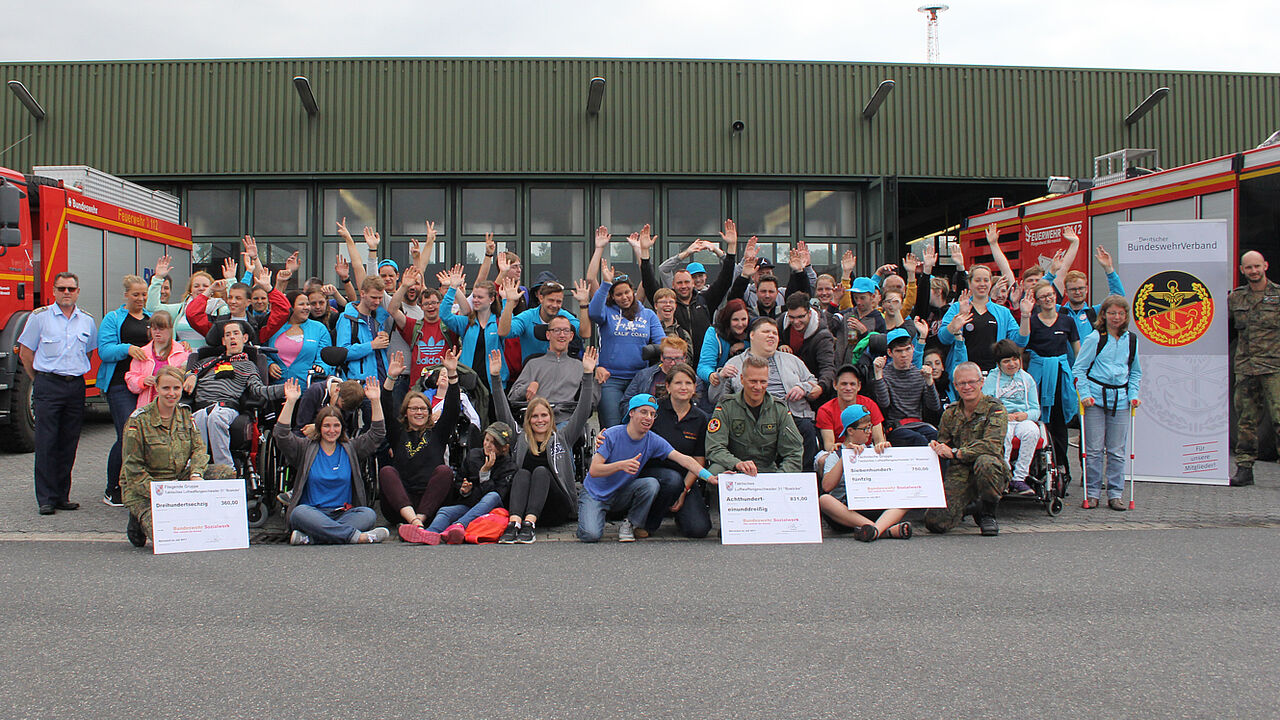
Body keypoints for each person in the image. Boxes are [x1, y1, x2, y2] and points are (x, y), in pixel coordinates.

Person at [120, 366, 236, 547]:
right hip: (145, 488)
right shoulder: (138, 421)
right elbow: (132, 469)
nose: (171, 393)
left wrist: (196, 474)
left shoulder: (185, 415)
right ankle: (138, 518)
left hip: (176, 481)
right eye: (166, 388)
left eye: (176, 388)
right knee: (165, 537)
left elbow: (199, 448)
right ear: (157, 388)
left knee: (226, 473)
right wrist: (159, 493)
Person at [492, 347, 599, 543]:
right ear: (528, 419)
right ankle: (514, 523)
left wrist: (587, 374)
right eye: (535, 416)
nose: (540, 420)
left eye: (544, 415)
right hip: (523, 506)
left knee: (541, 471)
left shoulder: (563, 437)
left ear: (551, 418)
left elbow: (583, 410)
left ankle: (529, 524)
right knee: (523, 473)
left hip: (555, 507)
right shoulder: (520, 438)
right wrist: (496, 377)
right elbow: (502, 412)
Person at [577, 393, 714, 543]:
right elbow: (594, 470)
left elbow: (684, 459)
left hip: (622, 493)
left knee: (650, 484)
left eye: (652, 414)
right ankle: (591, 515)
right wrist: (621, 465)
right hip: (595, 494)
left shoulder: (653, 440)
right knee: (590, 535)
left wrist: (709, 477)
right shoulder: (611, 435)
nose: (648, 417)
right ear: (631, 413)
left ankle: (630, 524)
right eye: (643, 412)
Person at [17, 272, 97, 515]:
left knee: (68, 442)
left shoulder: (87, 321)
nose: (66, 293)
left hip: (74, 386)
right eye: (62, 288)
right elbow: (25, 353)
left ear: (78, 292)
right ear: (53, 291)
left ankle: (62, 495)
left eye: (71, 289)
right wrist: (39, 380)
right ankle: (46, 498)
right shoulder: (39, 318)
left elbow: (89, 353)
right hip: (48, 384)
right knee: (46, 442)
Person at [274, 376, 389, 545]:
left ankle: (312, 538)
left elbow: (377, 433)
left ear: (342, 427)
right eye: (327, 426)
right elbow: (281, 435)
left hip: (343, 513)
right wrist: (291, 402)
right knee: (298, 512)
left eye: (336, 426)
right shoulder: (305, 448)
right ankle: (356, 537)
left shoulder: (351, 448)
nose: (331, 430)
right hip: (312, 513)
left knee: (368, 515)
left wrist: (375, 401)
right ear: (319, 427)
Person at [714, 317, 822, 469]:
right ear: (752, 335)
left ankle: (801, 481)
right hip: (751, 417)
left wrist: (803, 387)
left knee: (806, 429)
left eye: (775, 333)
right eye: (766, 332)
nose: (771, 336)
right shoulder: (735, 363)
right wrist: (721, 377)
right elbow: (716, 399)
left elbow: (815, 384)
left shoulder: (792, 360)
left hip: (792, 415)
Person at [378, 350, 460, 533]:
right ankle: (414, 522)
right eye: (413, 408)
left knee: (444, 471)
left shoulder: (437, 433)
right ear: (405, 412)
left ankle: (418, 522)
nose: (419, 412)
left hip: (431, 502)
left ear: (429, 412)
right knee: (386, 471)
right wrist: (391, 377)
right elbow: (386, 404)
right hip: (400, 503)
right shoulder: (397, 433)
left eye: (423, 408)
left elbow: (453, 408)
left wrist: (452, 374)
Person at [1073, 295, 1142, 511]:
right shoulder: (1095, 338)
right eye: (1112, 313)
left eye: (1120, 313)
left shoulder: (1131, 340)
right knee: (1093, 449)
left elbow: (1135, 372)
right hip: (1095, 397)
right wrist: (1084, 394)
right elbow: (1080, 369)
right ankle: (1092, 493)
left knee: (1117, 450)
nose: (1116, 317)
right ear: (1104, 315)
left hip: (1120, 399)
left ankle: (1115, 493)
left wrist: (1133, 394)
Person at [925, 362, 1010, 536]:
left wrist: (957, 452)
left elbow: (992, 445)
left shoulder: (995, 409)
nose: (967, 387)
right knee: (934, 522)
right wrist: (936, 447)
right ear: (955, 386)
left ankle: (988, 513)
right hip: (960, 471)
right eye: (962, 383)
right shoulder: (950, 413)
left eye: (972, 382)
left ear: (981, 382)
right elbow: (944, 442)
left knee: (986, 462)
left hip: (989, 468)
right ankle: (972, 506)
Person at [184, 322, 285, 468]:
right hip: (202, 406)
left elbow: (258, 390)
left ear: (244, 338)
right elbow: (189, 374)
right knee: (198, 419)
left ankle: (225, 468)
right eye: (228, 334)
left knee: (215, 418)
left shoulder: (248, 365)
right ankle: (198, 468)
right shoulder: (206, 362)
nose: (232, 337)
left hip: (225, 407)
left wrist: (284, 389)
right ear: (223, 341)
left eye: (235, 333)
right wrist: (192, 376)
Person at [401, 421, 514, 546]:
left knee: (492, 496)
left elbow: (499, 495)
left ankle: (458, 526)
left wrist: (485, 474)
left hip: (493, 509)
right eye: (487, 440)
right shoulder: (474, 456)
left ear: (505, 448)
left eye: (495, 444)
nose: (488, 445)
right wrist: (464, 489)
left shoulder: (509, 467)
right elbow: (459, 480)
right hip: (471, 503)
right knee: (445, 511)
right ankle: (428, 533)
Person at [815, 404, 910, 541]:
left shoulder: (874, 450)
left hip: (874, 505)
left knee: (908, 496)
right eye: (865, 428)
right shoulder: (836, 455)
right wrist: (845, 457)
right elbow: (827, 486)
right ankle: (883, 530)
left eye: (870, 427)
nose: (869, 432)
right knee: (824, 500)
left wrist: (887, 454)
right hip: (847, 512)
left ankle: (874, 530)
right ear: (851, 431)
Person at [589, 265, 666, 429]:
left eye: (627, 292)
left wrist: (650, 351)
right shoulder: (607, 312)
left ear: (633, 291)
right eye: (618, 294)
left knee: (639, 425)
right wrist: (605, 284)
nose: (624, 297)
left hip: (640, 378)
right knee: (613, 426)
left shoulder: (648, 314)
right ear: (612, 296)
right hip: (611, 379)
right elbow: (594, 312)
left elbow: (662, 342)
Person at [640, 363, 712, 539]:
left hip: (685, 477)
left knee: (699, 530)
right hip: (652, 474)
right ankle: (649, 523)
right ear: (668, 386)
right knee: (672, 480)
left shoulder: (701, 418)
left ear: (695, 387)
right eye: (678, 383)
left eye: (688, 383)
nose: (683, 387)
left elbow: (699, 459)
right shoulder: (654, 411)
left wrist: (684, 491)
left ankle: (677, 511)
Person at [97, 275, 151, 507]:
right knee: (126, 434)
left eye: (144, 295)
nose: (140, 299)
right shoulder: (113, 318)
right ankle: (113, 488)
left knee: (145, 436)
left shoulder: (150, 318)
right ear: (126, 295)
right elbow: (104, 351)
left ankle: (138, 484)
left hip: (145, 383)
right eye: (136, 295)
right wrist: (127, 349)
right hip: (119, 383)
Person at [1227, 251, 1280, 486]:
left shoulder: (1278, 295)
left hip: (1273, 366)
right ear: (1242, 270)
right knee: (1245, 421)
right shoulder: (1235, 299)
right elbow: (1226, 331)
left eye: (1257, 266)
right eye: (1249, 268)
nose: (1254, 271)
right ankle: (1245, 469)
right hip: (1246, 367)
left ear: (1266, 266)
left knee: (1279, 418)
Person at [705, 355, 805, 476]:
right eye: (753, 381)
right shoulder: (726, 406)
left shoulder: (779, 409)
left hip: (767, 472)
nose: (758, 387)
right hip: (734, 469)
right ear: (742, 379)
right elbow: (714, 447)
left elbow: (794, 452)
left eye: (763, 381)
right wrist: (737, 464)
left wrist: (780, 478)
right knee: (716, 472)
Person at [1022, 280, 1080, 486]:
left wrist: (1077, 374)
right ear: (1037, 301)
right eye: (1043, 296)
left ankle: (1062, 466)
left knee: (1059, 423)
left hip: (1060, 378)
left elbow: (1076, 350)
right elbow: (1022, 345)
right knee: (1038, 422)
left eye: (1051, 295)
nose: (1048, 299)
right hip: (1038, 376)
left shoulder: (1067, 321)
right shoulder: (1034, 321)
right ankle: (1034, 468)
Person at [938, 265, 1028, 374]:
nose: (982, 284)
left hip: (994, 373)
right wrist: (955, 324)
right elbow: (944, 339)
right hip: (965, 373)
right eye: (977, 280)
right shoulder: (957, 307)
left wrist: (1025, 316)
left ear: (990, 283)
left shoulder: (1003, 312)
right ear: (970, 283)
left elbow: (1020, 341)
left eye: (986, 280)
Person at [1047, 227, 1126, 342]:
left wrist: (1109, 269)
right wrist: (1052, 273)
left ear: (1087, 289)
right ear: (1066, 292)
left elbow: (1118, 296)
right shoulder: (1057, 311)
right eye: (1073, 289)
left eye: (1081, 288)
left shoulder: (1095, 313)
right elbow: (1037, 297)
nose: (1078, 292)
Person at [983, 339, 1041, 495]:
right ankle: (1005, 476)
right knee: (1004, 434)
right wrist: (1002, 415)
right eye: (1006, 361)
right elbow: (986, 405)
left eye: (1015, 359)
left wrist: (1025, 415)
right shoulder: (992, 379)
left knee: (1032, 432)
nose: (1012, 364)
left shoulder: (1027, 379)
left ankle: (1019, 478)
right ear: (999, 363)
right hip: (1002, 419)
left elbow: (1036, 409)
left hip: (1022, 419)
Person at [505, 313, 583, 426]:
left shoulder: (579, 366)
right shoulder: (533, 364)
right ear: (548, 335)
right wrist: (528, 387)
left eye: (566, 331)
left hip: (565, 421)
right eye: (557, 330)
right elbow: (512, 397)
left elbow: (591, 402)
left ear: (571, 336)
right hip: (537, 420)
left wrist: (596, 380)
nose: (562, 335)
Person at [439, 270, 508, 393]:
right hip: (469, 382)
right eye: (474, 296)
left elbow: (508, 323)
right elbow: (444, 315)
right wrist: (453, 288)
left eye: (480, 297)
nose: (475, 300)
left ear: (491, 299)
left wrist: (506, 300)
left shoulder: (498, 323)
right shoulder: (466, 322)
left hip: (494, 383)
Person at [872, 328, 941, 447]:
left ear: (913, 349)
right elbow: (884, 403)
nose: (904, 355)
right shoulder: (885, 374)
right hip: (896, 427)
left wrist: (930, 382)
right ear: (890, 353)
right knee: (918, 440)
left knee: (936, 439)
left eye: (907, 349)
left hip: (919, 424)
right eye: (899, 351)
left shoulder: (920, 374)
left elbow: (934, 406)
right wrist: (878, 375)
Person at [498, 276, 581, 363]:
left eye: (559, 301)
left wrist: (584, 305)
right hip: (532, 373)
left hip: (561, 372)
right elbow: (504, 332)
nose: (554, 305)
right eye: (551, 300)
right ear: (541, 298)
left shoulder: (564, 316)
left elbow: (584, 333)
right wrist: (509, 302)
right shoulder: (528, 316)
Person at [148, 254, 221, 349]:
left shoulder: (219, 308)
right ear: (190, 290)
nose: (201, 289)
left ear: (212, 289)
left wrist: (231, 280)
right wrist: (158, 278)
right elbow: (152, 307)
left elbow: (237, 307)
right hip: (182, 360)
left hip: (208, 359)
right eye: (196, 286)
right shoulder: (181, 309)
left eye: (205, 286)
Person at [125, 310, 192, 408]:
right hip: (148, 408)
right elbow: (131, 380)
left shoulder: (182, 352)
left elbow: (189, 378)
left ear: (170, 329)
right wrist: (142, 381)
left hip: (174, 407)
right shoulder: (142, 353)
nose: (157, 332)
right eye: (154, 328)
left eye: (161, 328)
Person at [620, 336, 704, 413]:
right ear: (661, 357)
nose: (673, 363)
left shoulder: (694, 380)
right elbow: (626, 403)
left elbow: (699, 407)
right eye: (668, 358)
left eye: (678, 359)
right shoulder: (644, 375)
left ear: (685, 358)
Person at [777, 292, 837, 402]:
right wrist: (780, 344)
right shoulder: (781, 322)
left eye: (800, 317)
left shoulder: (823, 337)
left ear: (809, 313)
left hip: (812, 390)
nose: (796, 322)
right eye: (792, 317)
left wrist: (821, 387)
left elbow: (828, 367)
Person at [267, 290, 333, 384]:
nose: (306, 308)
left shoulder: (319, 328)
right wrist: (269, 364)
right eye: (301, 304)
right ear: (290, 307)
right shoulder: (275, 326)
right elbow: (263, 351)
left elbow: (325, 356)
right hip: (276, 388)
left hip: (307, 388)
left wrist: (321, 367)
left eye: (308, 304)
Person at [815, 365, 886, 451]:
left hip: (866, 450)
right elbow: (829, 445)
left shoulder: (869, 404)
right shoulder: (825, 410)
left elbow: (879, 440)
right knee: (822, 460)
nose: (848, 388)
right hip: (840, 451)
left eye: (852, 384)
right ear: (835, 385)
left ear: (859, 386)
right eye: (844, 384)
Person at [336, 275, 391, 380]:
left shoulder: (379, 317)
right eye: (373, 297)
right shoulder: (346, 318)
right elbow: (342, 352)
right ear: (362, 294)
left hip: (382, 381)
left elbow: (380, 351)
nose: (377, 302)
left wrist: (384, 341)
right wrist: (372, 345)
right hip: (359, 384)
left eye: (380, 298)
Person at [699, 299, 750, 388]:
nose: (740, 324)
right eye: (735, 320)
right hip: (722, 385)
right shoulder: (714, 333)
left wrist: (745, 345)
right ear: (727, 319)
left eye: (743, 319)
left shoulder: (752, 332)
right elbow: (703, 366)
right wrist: (711, 375)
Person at [845, 276, 887, 345]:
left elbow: (881, 347)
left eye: (862, 298)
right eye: (856, 298)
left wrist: (864, 333)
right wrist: (835, 301)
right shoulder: (847, 313)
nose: (858, 302)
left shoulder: (878, 319)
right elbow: (830, 325)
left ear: (872, 297)